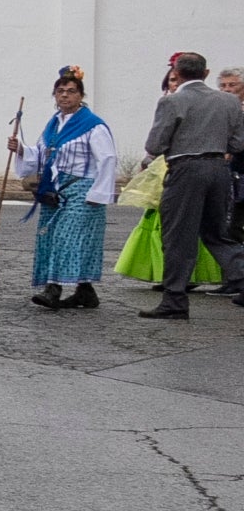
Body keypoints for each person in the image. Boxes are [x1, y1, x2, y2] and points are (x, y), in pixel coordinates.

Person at [140, 48, 244, 321]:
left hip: (185, 169)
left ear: (176, 73)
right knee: (217, 233)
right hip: (219, 168)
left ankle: (174, 299)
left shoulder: (172, 102)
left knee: (178, 237)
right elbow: (238, 143)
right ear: (206, 73)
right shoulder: (229, 101)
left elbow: (155, 144)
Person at [23, 64, 119, 309]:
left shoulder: (92, 125)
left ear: (81, 96)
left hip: (82, 189)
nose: (65, 95)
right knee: (53, 236)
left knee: (69, 238)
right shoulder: (53, 124)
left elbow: (106, 158)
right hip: (55, 189)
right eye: (60, 91)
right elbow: (42, 153)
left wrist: (99, 192)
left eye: (71, 91)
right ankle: (85, 290)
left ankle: (53, 290)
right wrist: (21, 150)